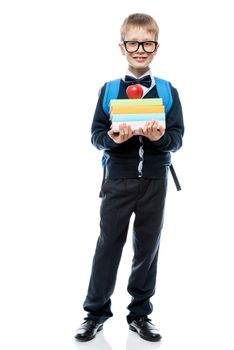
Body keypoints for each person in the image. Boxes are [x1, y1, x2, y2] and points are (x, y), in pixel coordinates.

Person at [75, 13, 184, 342]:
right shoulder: (108, 90)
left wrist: (158, 139)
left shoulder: (167, 91)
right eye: (133, 43)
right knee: (108, 246)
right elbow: (96, 136)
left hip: (155, 181)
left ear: (156, 47)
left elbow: (177, 139)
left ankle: (140, 314)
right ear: (122, 47)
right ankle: (94, 313)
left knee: (147, 248)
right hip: (117, 182)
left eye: (147, 43)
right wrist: (114, 139)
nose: (140, 49)